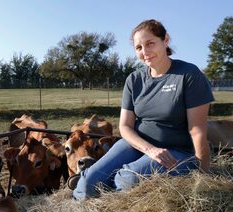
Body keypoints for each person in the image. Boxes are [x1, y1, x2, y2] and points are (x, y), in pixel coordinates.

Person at [72, 19, 214, 200]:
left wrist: (204, 175)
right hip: (138, 144)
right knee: (89, 181)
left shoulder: (188, 75)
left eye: (150, 43)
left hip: (176, 151)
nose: (145, 52)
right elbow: (125, 127)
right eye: (139, 47)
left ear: (166, 40)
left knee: (126, 179)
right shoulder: (134, 79)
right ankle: (73, 210)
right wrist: (150, 150)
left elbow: (197, 131)